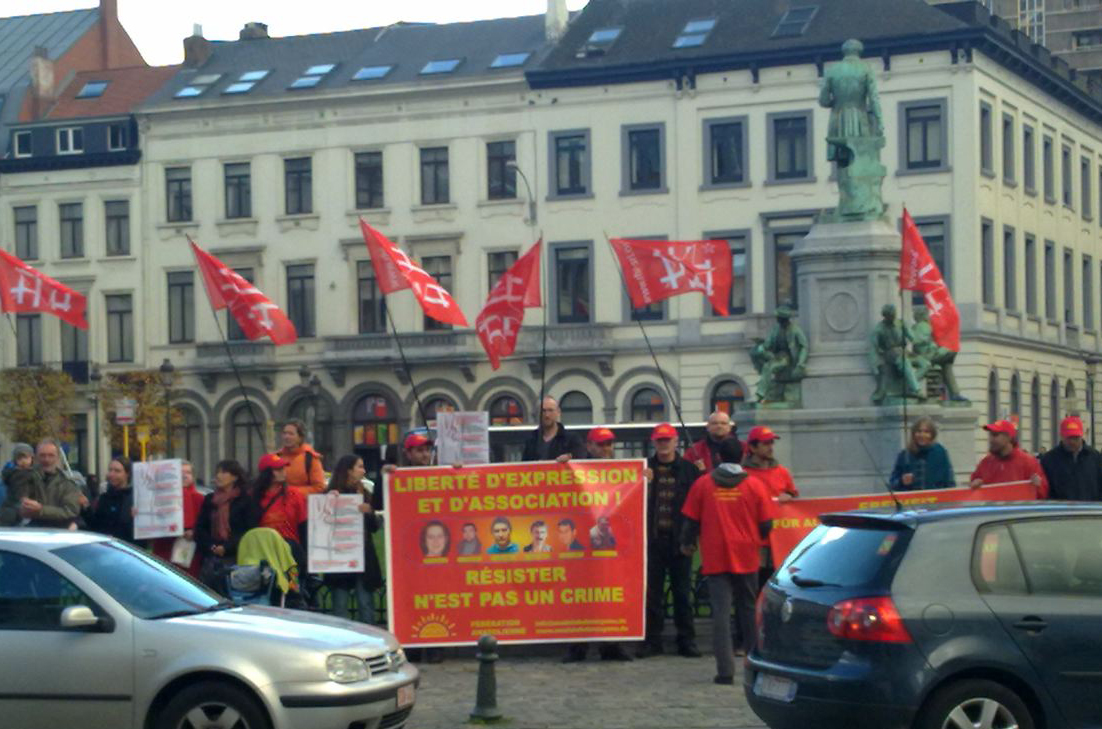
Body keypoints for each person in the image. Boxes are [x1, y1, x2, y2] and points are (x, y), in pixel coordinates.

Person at [681, 462, 776, 686]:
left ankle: (725, 671)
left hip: (716, 554)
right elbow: (766, 524)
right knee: (749, 609)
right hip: (747, 553)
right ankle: (755, 666)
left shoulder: (703, 484)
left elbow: (691, 521)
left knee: (721, 615)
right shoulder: (755, 485)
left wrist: (686, 543)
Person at [563, 427, 632, 663]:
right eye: (601, 445)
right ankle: (578, 645)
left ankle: (611, 644)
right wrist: (560, 464)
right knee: (581, 595)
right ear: (589, 446)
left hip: (609, 544)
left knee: (610, 593)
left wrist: (646, 477)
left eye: (609, 445)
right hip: (582, 543)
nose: (606, 449)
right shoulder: (576, 468)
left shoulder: (622, 470)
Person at [639, 422, 702, 659]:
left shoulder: (689, 470)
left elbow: (697, 508)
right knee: (652, 595)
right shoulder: (644, 469)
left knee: (683, 594)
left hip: (680, 541)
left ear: (676, 442)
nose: (664, 444)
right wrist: (644, 484)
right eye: (659, 440)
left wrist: (692, 537)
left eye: (668, 440)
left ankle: (686, 640)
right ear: (654, 442)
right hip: (653, 541)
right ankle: (652, 641)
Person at [323, 455, 383, 624]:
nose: (363, 471)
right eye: (360, 467)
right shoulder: (331, 493)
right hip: (339, 557)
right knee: (340, 605)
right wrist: (327, 502)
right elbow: (321, 523)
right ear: (348, 470)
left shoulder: (364, 492)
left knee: (365, 604)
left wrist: (369, 512)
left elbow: (375, 526)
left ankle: (368, 643)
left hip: (363, 556)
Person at [195, 460, 253, 592]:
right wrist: (211, 546)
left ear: (235, 477)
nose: (219, 476)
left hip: (236, 556)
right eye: (217, 472)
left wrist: (227, 547)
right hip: (212, 558)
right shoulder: (210, 499)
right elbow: (200, 528)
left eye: (224, 472)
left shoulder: (245, 500)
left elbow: (249, 530)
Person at [250, 453, 309, 578]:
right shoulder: (252, 497)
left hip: (292, 557)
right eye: (278, 469)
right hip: (264, 556)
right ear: (267, 473)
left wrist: (305, 558)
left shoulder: (295, 495)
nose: (283, 472)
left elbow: (304, 528)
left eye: (283, 468)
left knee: (292, 593)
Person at [150, 461, 207, 577]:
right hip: (164, 550)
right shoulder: (159, 499)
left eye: (188, 472)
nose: (184, 475)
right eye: (180, 472)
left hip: (190, 554)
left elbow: (207, 526)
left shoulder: (200, 499)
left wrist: (194, 532)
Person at [970, 420, 1049, 498]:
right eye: (990, 435)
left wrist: (1038, 486)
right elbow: (972, 487)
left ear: (1009, 437)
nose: (991, 440)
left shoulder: (1028, 462)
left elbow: (1043, 493)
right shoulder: (985, 463)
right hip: (992, 510)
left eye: (995, 435)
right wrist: (974, 485)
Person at [16, 439, 82, 529]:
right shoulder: (24, 478)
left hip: (58, 532)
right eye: (42, 455)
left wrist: (41, 510)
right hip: (31, 531)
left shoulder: (67, 483)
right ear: (36, 457)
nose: (46, 459)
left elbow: (71, 511)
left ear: (57, 457)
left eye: (51, 455)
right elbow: (14, 504)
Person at [1041, 416, 1102, 501]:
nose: (1072, 442)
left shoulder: (1095, 457)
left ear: (1082, 436)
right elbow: (1046, 490)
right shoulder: (1049, 460)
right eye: (1069, 438)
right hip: (1061, 511)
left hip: (1089, 511)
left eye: (1076, 438)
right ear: (1061, 436)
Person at [889, 417, 956, 491]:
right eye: (919, 431)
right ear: (913, 434)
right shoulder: (904, 455)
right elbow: (892, 483)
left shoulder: (940, 452)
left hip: (936, 500)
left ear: (932, 435)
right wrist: (901, 481)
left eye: (926, 432)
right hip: (912, 500)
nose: (922, 435)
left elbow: (950, 481)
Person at [521, 396, 585, 463]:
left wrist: (569, 457)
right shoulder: (531, 439)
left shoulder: (571, 438)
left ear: (558, 412)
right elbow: (524, 464)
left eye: (550, 410)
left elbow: (581, 457)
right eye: (543, 411)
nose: (547, 415)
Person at [88, 457, 136, 544]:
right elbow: (95, 525)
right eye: (110, 470)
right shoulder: (104, 498)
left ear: (127, 474)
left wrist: (135, 519)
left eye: (117, 471)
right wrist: (86, 509)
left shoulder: (134, 498)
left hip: (129, 549)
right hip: (107, 549)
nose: (111, 474)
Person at [279, 420, 326, 496]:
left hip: (301, 505)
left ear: (300, 437)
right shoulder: (277, 457)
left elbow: (319, 487)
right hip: (279, 505)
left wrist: (291, 492)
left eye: (291, 434)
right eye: (284, 433)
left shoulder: (310, 458)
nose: (286, 437)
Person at [0, 443, 41, 526]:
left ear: (32, 458)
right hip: (14, 507)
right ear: (15, 460)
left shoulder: (36, 473)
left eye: (26, 457)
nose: (23, 461)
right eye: (20, 458)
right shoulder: (13, 474)